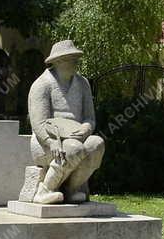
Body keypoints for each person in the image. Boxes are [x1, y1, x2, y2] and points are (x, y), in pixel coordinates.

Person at [26, 40, 105, 204]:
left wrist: (86, 128)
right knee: (73, 149)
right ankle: (45, 190)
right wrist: (51, 141)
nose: (76, 62)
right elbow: (38, 122)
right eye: (71, 58)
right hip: (45, 142)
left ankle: (71, 189)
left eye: (76, 58)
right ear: (58, 61)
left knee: (97, 144)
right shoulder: (42, 85)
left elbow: (90, 117)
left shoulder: (83, 84)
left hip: (76, 137)